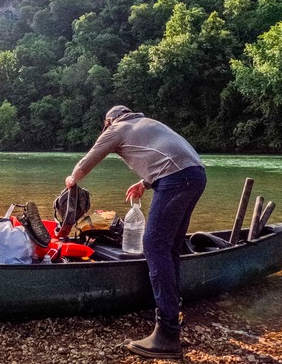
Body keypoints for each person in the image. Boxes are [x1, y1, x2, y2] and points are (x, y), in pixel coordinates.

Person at [64, 105, 206, 360]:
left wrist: (72, 179)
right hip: (195, 174)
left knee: (153, 244)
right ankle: (174, 311)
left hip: (176, 179)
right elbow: (167, 154)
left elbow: (90, 158)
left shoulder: (117, 127)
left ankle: (167, 335)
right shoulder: (147, 123)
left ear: (109, 121)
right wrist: (144, 183)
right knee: (171, 246)